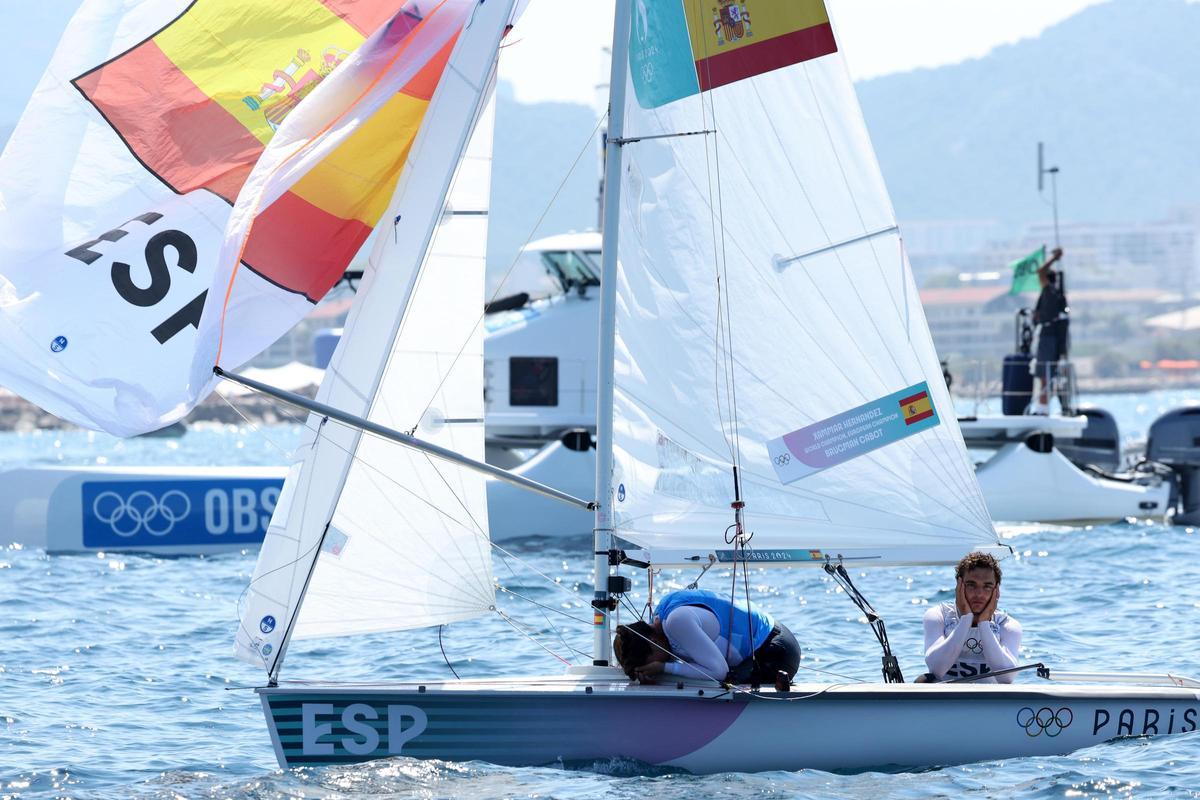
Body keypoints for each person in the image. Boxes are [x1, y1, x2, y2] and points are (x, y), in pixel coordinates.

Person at [612, 588, 800, 690]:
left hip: (774, 652)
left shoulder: (677, 623)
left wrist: (663, 668)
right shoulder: (661, 617)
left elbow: (718, 671)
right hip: (763, 647)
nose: (656, 665)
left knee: (722, 683)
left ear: (651, 643)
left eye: (650, 663)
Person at [922, 551, 1022, 683]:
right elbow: (937, 670)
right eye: (971, 585)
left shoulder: (1007, 625)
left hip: (988, 700)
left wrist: (984, 624)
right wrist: (965, 620)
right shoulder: (938, 616)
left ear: (996, 590)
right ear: (959, 586)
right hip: (946, 699)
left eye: (987, 586)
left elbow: (1006, 678)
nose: (979, 594)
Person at [1030, 247, 1066, 414]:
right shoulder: (1055, 294)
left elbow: (1040, 271)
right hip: (1052, 338)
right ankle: (1043, 407)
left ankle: (1043, 409)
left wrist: (1054, 258)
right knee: (1046, 373)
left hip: (1048, 338)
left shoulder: (1050, 291)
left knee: (1044, 373)